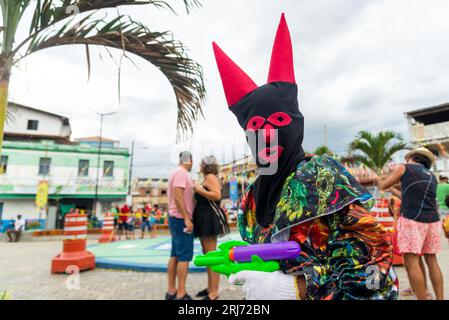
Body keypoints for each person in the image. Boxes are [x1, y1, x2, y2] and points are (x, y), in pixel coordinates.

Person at [211, 14, 397, 300]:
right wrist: (249, 263)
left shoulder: (324, 177)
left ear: (296, 122)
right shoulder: (251, 198)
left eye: (279, 120)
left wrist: (297, 288)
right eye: (257, 126)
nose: (268, 134)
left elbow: (377, 271)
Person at [377, 147, 444, 300]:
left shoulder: (404, 167)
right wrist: (394, 188)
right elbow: (406, 194)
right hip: (432, 221)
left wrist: (380, 180)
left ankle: (421, 297)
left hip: (412, 220)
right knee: (432, 261)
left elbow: (382, 186)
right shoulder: (431, 175)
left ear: (413, 157)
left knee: (411, 261)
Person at [193, 156, 230, 300]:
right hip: (205, 218)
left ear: (205, 166)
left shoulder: (210, 177)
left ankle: (214, 293)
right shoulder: (208, 177)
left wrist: (198, 189)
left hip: (209, 218)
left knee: (212, 256)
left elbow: (217, 195)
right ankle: (210, 288)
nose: (199, 165)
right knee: (208, 255)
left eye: (201, 163)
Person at [165, 151, 195, 300]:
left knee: (175, 254)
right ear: (189, 160)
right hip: (180, 218)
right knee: (184, 256)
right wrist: (186, 219)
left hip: (176, 218)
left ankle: (171, 291)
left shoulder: (176, 173)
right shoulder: (181, 173)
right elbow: (178, 196)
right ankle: (181, 294)